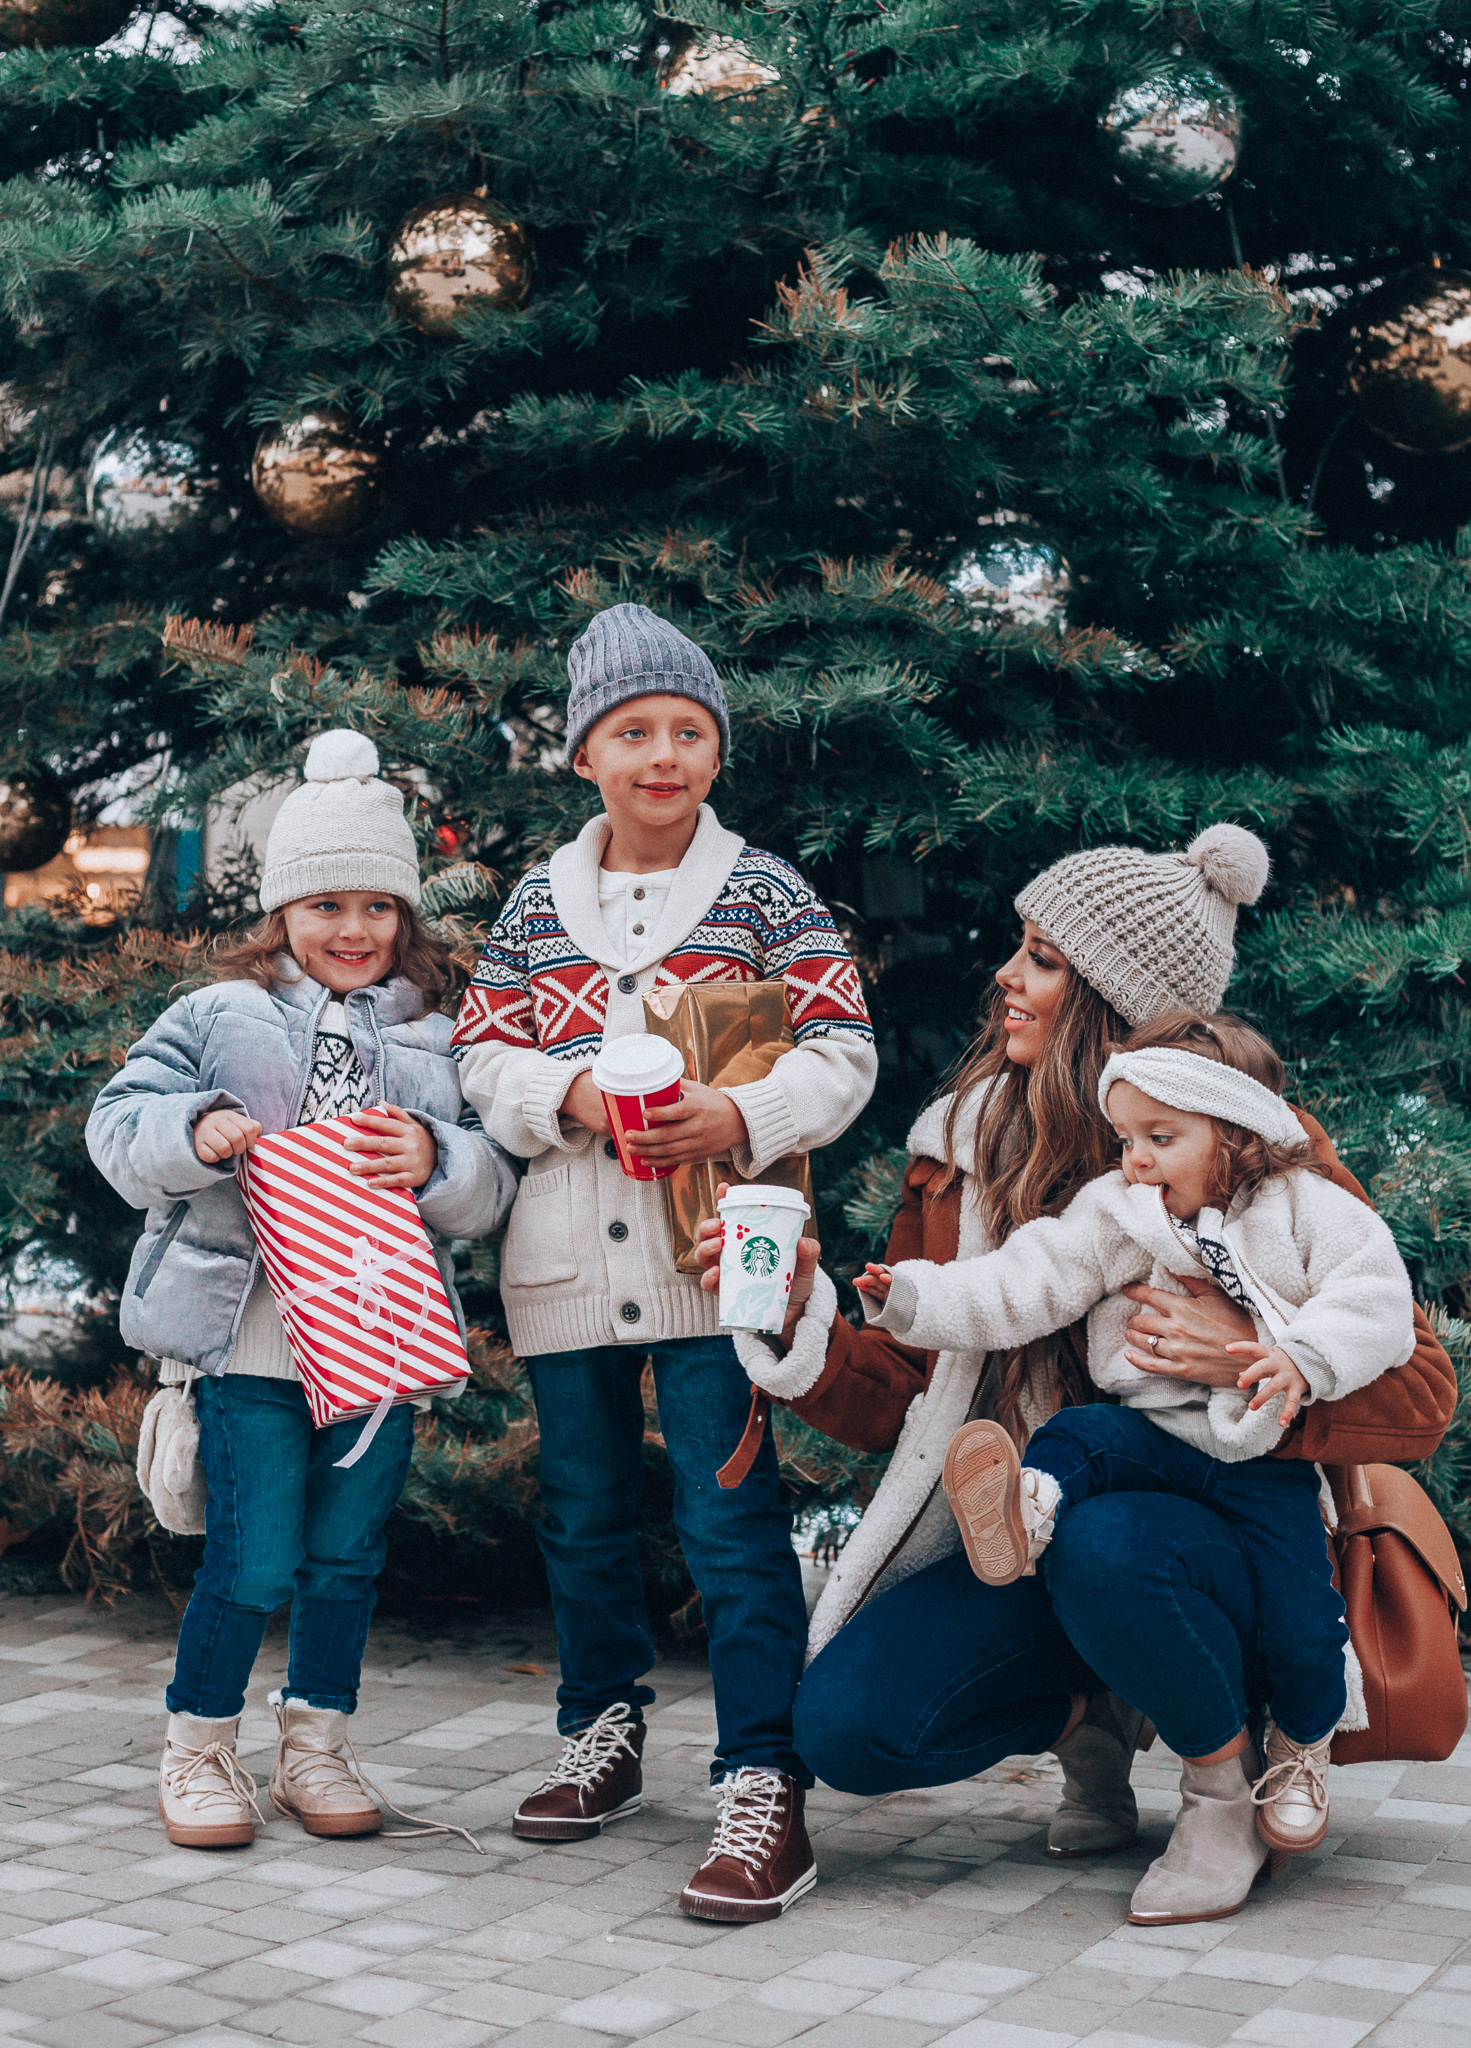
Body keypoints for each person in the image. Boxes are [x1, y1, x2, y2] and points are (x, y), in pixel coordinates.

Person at [696, 825, 1455, 1927]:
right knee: (849, 1726)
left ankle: (1218, 1789)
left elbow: (1421, 1388)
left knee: (1107, 1540)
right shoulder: (957, 1150)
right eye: (1019, 946)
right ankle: (1082, 1714)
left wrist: (1246, 1346)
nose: (1005, 975)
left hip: (1205, 1529)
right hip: (1032, 1526)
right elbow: (904, 1395)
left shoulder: (1254, 1150)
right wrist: (803, 1308)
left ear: (1109, 999)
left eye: (1043, 956)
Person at [450, 603, 877, 1922]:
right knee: (581, 1510)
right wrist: (562, 1099)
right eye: (630, 731)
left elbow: (843, 1044)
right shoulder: (535, 905)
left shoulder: (760, 894)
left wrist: (743, 1114)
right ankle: (602, 1732)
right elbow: (478, 1053)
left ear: (714, 753)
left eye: (687, 731)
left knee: (728, 1520)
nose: (660, 755)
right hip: (570, 1254)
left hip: (715, 1256)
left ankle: (761, 1778)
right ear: (584, 753)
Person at [87, 730, 516, 1851]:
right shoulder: (214, 1015)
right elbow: (116, 1123)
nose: (353, 929)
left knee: (345, 1559)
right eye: (325, 903)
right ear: (282, 911)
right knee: (255, 1555)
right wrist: (193, 1127)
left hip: (380, 1350)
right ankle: (199, 1743)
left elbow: (487, 1179)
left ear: (404, 915)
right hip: (250, 1348)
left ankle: (315, 1739)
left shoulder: (436, 1035)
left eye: (377, 905)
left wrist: (437, 1158)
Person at [855, 1008, 1416, 1856]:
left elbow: (1374, 1301)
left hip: (1261, 1457)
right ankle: (1028, 1512)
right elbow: (1026, 1278)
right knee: (1078, 1436)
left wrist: (1297, 1357)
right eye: (1125, 1139)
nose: (1136, 1160)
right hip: (1152, 1435)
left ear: (1238, 1134)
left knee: (1303, 1622)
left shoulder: (1308, 1208)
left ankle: (1298, 1749)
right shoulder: (1123, 1211)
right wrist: (910, 1297)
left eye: (1160, 1136)